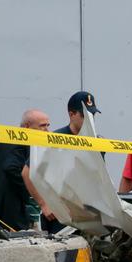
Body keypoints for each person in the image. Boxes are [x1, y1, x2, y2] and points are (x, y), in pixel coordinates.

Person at [0, 108, 49, 232]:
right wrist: (27, 190)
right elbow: (10, 168)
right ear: (27, 127)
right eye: (42, 126)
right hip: (12, 208)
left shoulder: (9, 137)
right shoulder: (26, 141)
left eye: (47, 125)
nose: (47, 130)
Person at [43, 90, 100, 234]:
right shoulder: (55, 139)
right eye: (85, 116)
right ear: (72, 114)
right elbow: (28, 172)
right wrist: (45, 205)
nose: (90, 120)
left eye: (92, 115)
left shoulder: (96, 141)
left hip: (88, 213)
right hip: (61, 215)